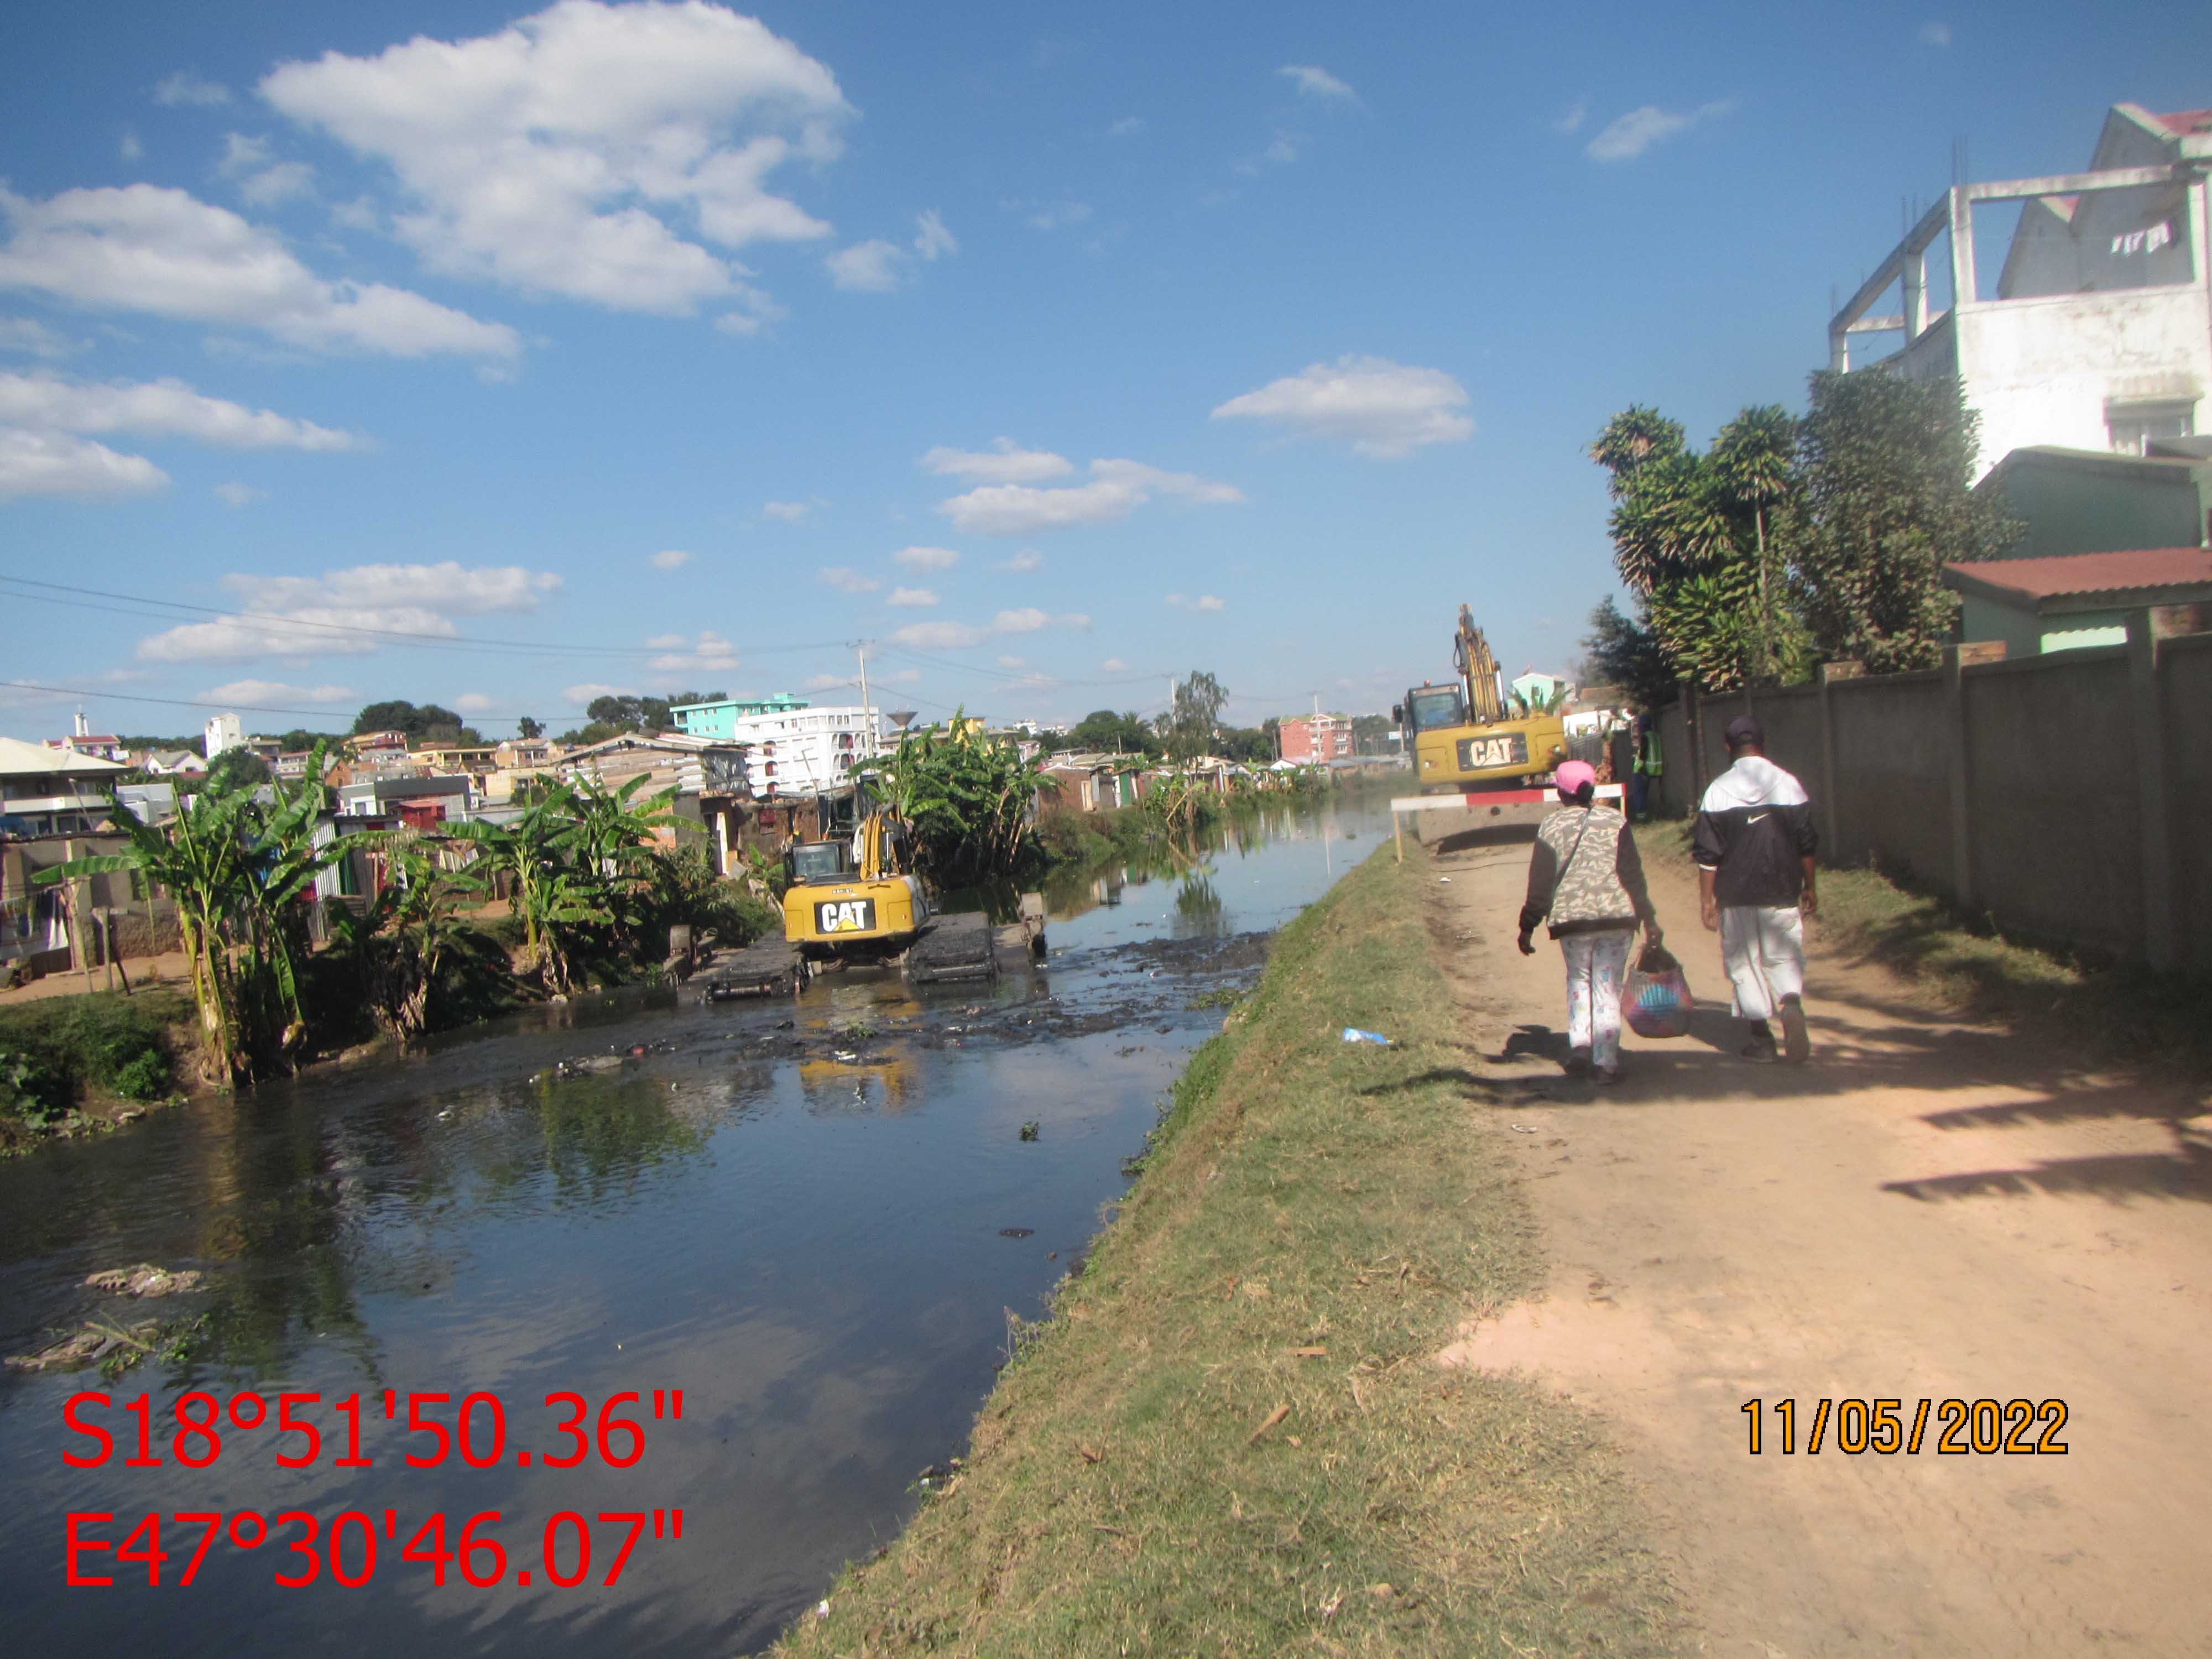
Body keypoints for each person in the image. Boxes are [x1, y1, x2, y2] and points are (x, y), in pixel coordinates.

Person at [1517, 760, 1660, 1084]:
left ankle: (1581, 1049)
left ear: (1560, 792)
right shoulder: (1616, 821)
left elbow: (1539, 885)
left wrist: (1528, 926)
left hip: (1573, 922)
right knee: (1607, 988)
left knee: (1579, 980)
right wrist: (1648, 918)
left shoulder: (1550, 828)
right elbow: (1633, 877)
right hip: (1617, 918)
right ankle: (1606, 1063)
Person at [1693, 714, 1818, 1063]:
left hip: (1736, 896)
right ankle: (1790, 1003)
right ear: (1763, 745)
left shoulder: (1718, 791)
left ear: (1728, 748)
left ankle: (1762, 1039)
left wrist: (1707, 900)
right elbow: (1807, 843)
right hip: (1781, 890)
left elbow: (1708, 856)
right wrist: (1810, 886)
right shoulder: (1789, 784)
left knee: (1744, 964)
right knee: (1784, 956)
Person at [1630, 712, 1663, 821]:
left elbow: (1643, 754)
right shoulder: (1656, 736)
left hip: (1644, 770)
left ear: (1643, 725)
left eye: (1639, 725)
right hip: (1656, 770)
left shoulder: (1645, 737)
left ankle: (1641, 817)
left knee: (1639, 794)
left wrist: (1640, 766)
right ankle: (1650, 814)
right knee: (1645, 794)